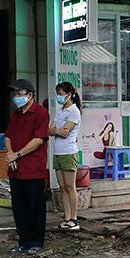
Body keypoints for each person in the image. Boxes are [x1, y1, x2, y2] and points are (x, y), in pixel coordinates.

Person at [5, 79, 51, 254]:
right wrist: (10, 155)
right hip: (15, 169)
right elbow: (8, 136)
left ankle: (36, 241)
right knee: (19, 207)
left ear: (30, 95)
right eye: (14, 94)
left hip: (33, 168)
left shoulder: (41, 113)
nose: (16, 97)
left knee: (35, 207)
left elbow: (38, 141)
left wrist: (17, 154)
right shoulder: (16, 114)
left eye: (19, 93)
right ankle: (23, 241)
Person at [50, 81, 83, 231]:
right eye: (58, 94)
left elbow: (64, 131)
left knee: (70, 187)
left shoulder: (74, 111)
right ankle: (67, 216)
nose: (59, 97)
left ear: (70, 95)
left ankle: (74, 219)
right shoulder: (60, 111)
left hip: (69, 152)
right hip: (57, 153)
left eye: (61, 94)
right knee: (62, 187)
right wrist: (56, 130)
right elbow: (50, 130)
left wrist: (55, 130)